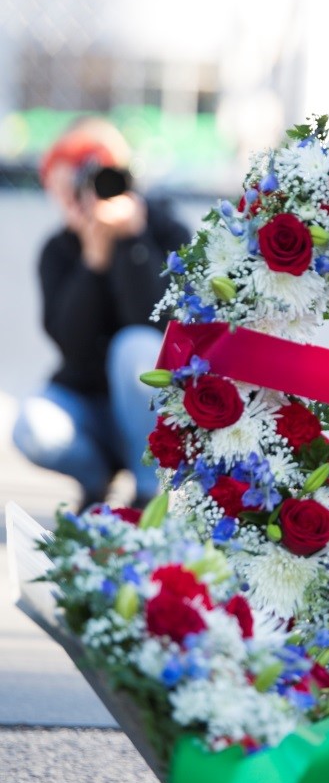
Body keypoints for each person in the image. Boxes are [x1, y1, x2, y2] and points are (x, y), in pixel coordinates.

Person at [13, 118, 189, 512]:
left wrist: (132, 240)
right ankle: (95, 486)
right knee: (33, 427)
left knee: (135, 347)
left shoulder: (164, 233)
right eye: (68, 187)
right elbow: (72, 347)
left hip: (154, 410)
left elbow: (161, 328)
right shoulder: (58, 251)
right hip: (88, 404)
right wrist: (93, 260)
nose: (84, 196)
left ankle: (149, 494)